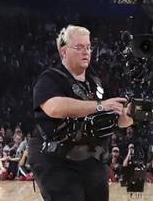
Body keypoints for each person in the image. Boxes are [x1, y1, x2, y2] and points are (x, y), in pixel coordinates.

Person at [30, 24, 133, 201]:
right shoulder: (50, 78)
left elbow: (117, 120)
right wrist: (99, 106)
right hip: (58, 160)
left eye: (88, 47)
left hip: (92, 158)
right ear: (64, 52)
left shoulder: (96, 82)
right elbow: (54, 108)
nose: (86, 52)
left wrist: (130, 115)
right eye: (79, 47)